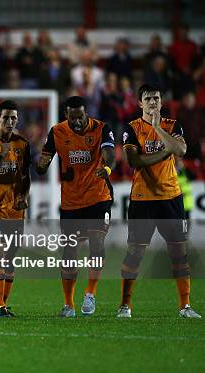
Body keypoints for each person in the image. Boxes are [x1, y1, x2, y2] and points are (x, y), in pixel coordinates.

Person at [118, 84, 200, 318]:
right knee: (135, 253)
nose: (152, 102)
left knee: (179, 254)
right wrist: (166, 151)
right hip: (142, 198)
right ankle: (125, 306)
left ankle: (185, 306)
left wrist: (157, 128)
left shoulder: (172, 125)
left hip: (171, 197)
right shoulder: (132, 128)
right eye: (148, 99)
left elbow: (182, 150)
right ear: (140, 103)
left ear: (161, 102)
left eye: (156, 98)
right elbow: (134, 161)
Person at [37, 96, 115, 317]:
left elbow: (110, 154)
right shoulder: (57, 132)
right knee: (69, 251)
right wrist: (40, 164)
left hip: (98, 196)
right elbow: (43, 161)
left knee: (96, 244)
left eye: (80, 117)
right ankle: (69, 305)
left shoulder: (101, 128)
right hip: (71, 202)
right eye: (72, 118)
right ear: (66, 116)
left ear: (86, 113)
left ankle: (90, 293)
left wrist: (107, 168)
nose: (77, 122)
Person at [0, 101, 31, 317]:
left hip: (15, 208)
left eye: (13, 118)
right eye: (6, 118)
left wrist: (23, 195)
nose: (10, 122)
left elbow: (25, 175)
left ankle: (3, 304)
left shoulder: (23, 144)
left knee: (10, 257)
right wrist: (1, 155)